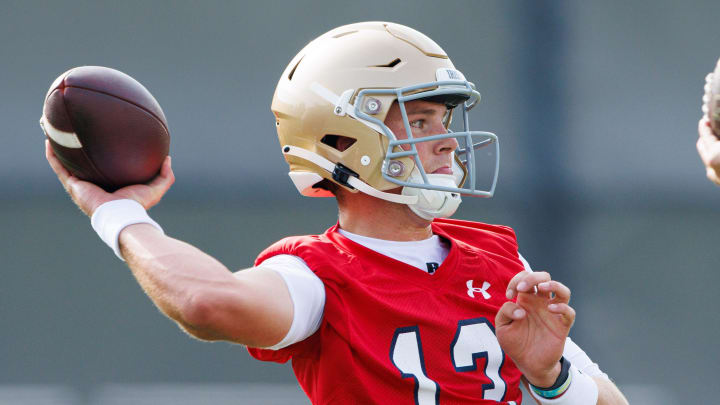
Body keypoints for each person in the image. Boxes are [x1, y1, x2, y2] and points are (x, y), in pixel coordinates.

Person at [45, 22, 628, 405]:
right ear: (342, 143)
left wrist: (552, 380)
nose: (447, 142)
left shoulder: (499, 259)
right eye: (419, 122)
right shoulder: (318, 276)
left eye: (445, 123)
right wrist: (120, 217)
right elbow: (207, 303)